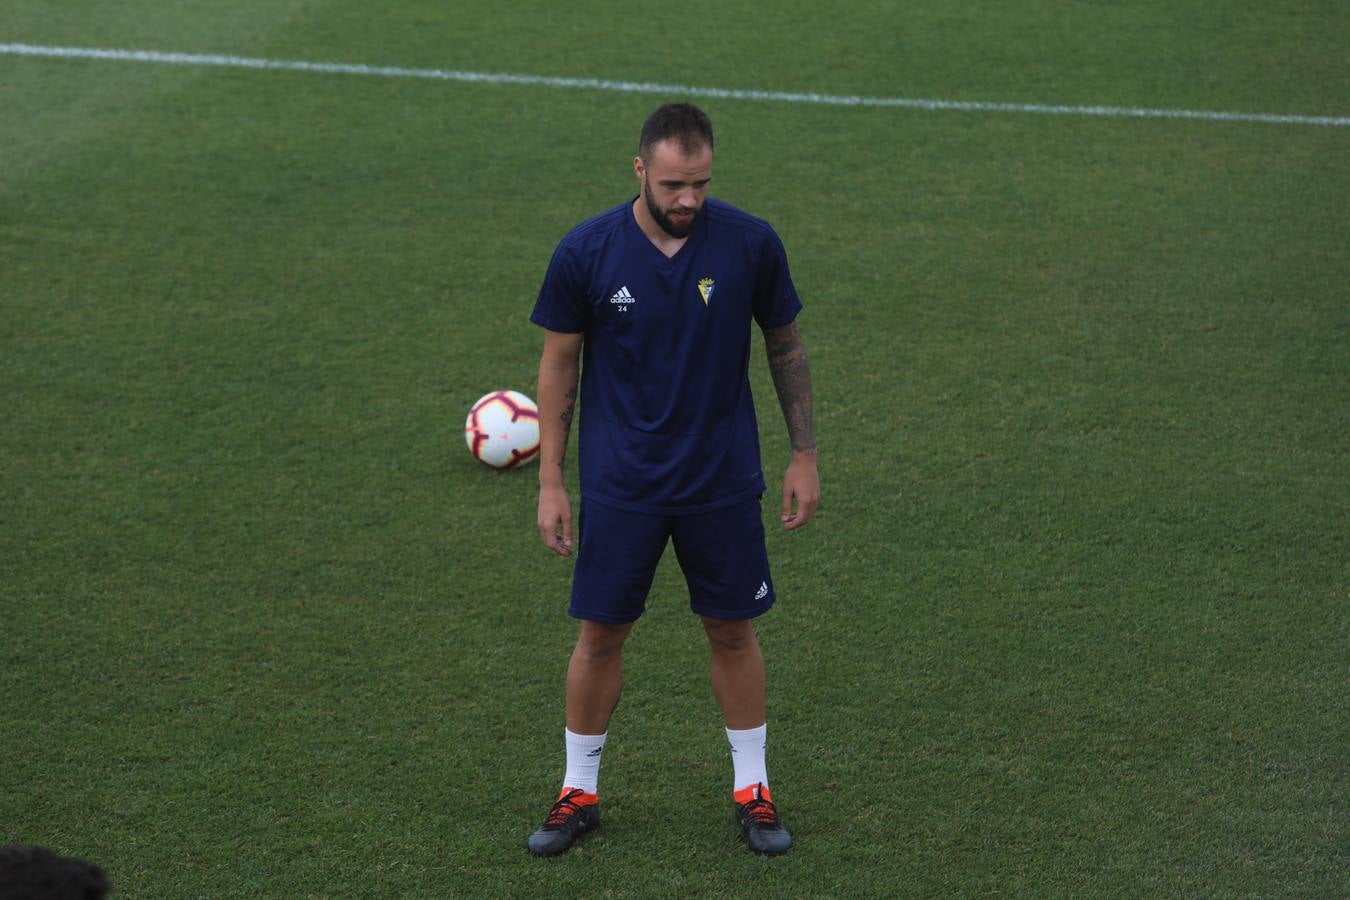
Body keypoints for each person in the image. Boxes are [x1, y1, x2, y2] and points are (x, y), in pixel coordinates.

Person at [527, 102, 819, 857]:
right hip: (623, 485)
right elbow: (560, 365)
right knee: (600, 635)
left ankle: (753, 790)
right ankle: (577, 791)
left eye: (700, 183)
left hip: (720, 481)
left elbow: (785, 345)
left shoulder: (750, 243)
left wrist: (804, 454)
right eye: (672, 185)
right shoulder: (586, 251)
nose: (688, 198)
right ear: (640, 171)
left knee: (731, 628)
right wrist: (551, 483)